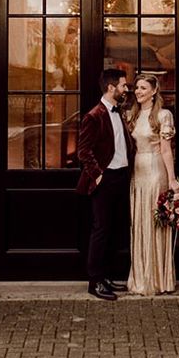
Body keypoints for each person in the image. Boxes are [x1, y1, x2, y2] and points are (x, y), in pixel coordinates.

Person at [76, 68, 135, 301]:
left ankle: (106, 276)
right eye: (123, 85)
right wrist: (98, 175)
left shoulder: (118, 111)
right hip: (105, 179)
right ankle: (95, 282)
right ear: (111, 88)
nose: (126, 89)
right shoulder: (94, 115)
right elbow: (83, 151)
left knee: (113, 230)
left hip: (121, 176)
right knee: (101, 230)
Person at [125, 73, 179, 295]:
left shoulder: (164, 115)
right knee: (139, 221)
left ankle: (159, 279)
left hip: (155, 170)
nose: (138, 91)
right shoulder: (133, 115)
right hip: (137, 172)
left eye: (143, 88)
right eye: (136, 87)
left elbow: (167, 150)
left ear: (154, 91)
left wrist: (173, 179)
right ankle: (141, 276)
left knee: (155, 222)